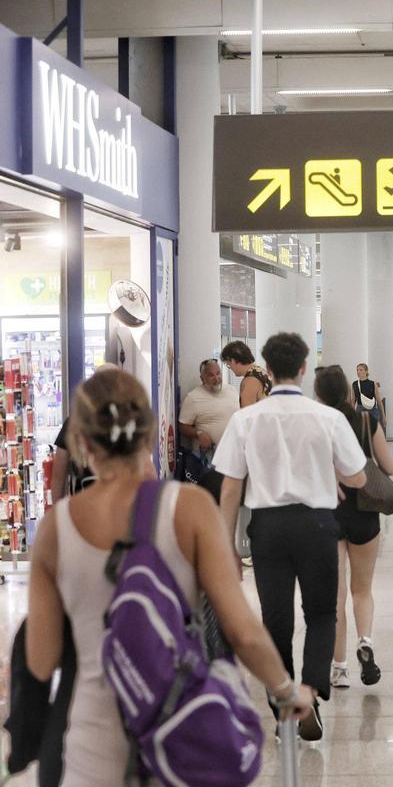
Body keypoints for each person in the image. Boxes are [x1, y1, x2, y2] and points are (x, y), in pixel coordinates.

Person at [26, 369, 311, 785]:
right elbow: (241, 629)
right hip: (180, 738)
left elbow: (42, 659)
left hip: (93, 749)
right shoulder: (188, 507)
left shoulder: (56, 529)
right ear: (147, 436)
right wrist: (286, 690)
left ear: (82, 442)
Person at [214, 333, 368, 742]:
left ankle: (282, 698)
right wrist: (330, 472)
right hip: (318, 525)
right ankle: (309, 689)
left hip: (267, 527)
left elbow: (230, 489)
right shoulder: (328, 418)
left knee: (275, 619)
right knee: (321, 613)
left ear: (265, 363)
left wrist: (225, 546)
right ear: (303, 369)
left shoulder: (245, 419)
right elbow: (357, 476)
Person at [313, 366, 393, 690]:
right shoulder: (365, 421)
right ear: (349, 393)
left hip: (327, 513)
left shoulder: (316, 425)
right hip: (364, 513)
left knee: (335, 598)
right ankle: (366, 641)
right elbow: (389, 466)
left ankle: (340, 668)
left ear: (318, 395)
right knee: (362, 590)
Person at [179, 358, 239, 457]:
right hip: (209, 459)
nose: (216, 378)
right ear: (202, 378)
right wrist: (198, 433)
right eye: (211, 375)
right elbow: (182, 426)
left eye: (218, 373)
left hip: (234, 455)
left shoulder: (232, 390)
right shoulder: (193, 398)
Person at [220, 340, 272, 407]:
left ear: (232, 361)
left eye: (228, 364)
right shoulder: (261, 372)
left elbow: (247, 414)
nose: (230, 368)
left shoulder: (250, 381)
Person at [352, 363, 385, 428]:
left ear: (366, 371)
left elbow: (379, 401)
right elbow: (353, 401)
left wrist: (383, 416)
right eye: (357, 370)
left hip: (372, 410)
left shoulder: (372, 384)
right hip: (360, 410)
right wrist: (352, 415)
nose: (358, 372)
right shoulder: (355, 384)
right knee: (361, 431)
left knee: (373, 431)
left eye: (361, 370)